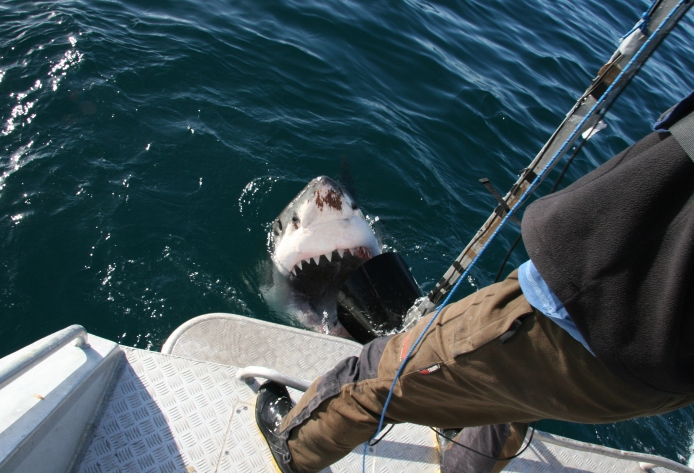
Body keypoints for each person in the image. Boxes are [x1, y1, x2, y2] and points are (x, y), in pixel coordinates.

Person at [255, 92, 694, 473]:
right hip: (665, 378)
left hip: (583, 313)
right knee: (514, 394)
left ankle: (294, 447)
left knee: (374, 374)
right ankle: (463, 463)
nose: (335, 207)